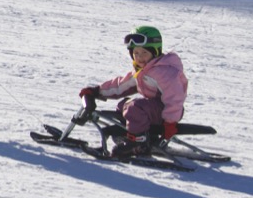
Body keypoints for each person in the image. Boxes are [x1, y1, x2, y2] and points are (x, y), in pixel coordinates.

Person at [78, 26, 186, 160]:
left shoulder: (165, 72)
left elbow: (175, 99)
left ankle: (137, 143)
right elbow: (121, 86)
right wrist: (97, 91)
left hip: (167, 112)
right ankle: (133, 135)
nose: (139, 58)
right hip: (155, 110)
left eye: (144, 53)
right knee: (123, 106)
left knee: (133, 107)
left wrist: (170, 123)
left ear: (156, 51)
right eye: (136, 53)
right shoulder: (144, 70)